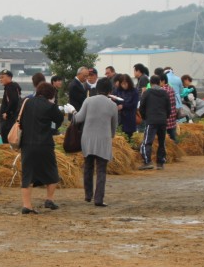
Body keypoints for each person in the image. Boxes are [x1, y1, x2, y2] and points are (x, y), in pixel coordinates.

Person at [17, 82, 64, 214]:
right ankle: (49, 199)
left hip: (26, 144)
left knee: (27, 174)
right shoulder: (50, 106)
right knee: (52, 171)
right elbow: (59, 120)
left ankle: (27, 205)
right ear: (51, 94)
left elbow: (18, 119)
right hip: (44, 144)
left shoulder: (26, 102)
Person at [74, 76, 118, 207]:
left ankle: (88, 195)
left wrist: (72, 112)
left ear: (97, 88)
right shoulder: (113, 105)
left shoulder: (88, 100)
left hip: (87, 138)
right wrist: (111, 135)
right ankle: (99, 199)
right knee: (101, 170)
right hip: (103, 139)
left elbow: (78, 118)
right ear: (110, 90)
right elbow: (114, 126)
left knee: (88, 167)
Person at [138, 75, 170, 170]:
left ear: (150, 83)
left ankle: (147, 162)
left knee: (147, 142)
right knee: (161, 142)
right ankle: (160, 162)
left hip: (151, 120)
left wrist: (145, 117)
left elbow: (141, 107)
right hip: (162, 120)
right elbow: (169, 108)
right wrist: (165, 117)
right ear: (160, 82)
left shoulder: (147, 93)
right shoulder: (165, 93)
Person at [0, 69, 22, 142]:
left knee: (6, 140)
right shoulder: (13, 86)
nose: (0, 79)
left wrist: (7, 113)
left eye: (2, 77)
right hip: (13, 118)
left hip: (8, 120)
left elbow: (13, 101)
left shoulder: (10, 87)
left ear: (9, 77)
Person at [114, 73, 139, 138]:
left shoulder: (134, 91)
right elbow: (115, 100)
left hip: (130, 118)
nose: (124, 85)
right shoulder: (118, 91)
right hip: (120, 118)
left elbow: (134, 105)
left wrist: (123, 106)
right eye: (122, 84)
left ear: (129, 82)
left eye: (125, 83)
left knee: (130, 136)